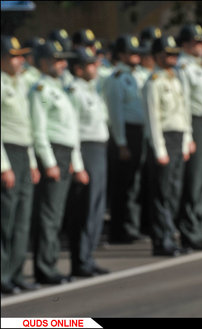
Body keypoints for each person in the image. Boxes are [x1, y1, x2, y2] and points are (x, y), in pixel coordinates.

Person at [29, 39, 82, 285]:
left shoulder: (58, 87)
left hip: (64, 153)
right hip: (52, 153)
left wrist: (72, 160)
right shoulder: (40, 89)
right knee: (49, 215)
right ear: (43, 62)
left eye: (63, 60)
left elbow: (69, 129)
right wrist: (50, 162)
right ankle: (45, 268)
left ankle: (49, 264)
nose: (63, 64)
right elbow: (39, 131)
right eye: (57, 59)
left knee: (56, 214)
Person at [142, 35, 192, 256]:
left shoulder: (175, 79)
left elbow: (183, 113)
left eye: (174, 53)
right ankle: (161, 240)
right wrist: (160, 150)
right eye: (168, 53)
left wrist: (187, 141)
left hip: (177, 138)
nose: (172, 57)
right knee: (162, 193)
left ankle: (170, 235)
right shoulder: (154, 81)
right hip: (163, 139)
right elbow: (152, 118)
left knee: (173, 191)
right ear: (157, 56)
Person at [64, 47, 110, 277]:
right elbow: (71, 130)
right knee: (85, 207)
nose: (96, 67)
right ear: (78, 68)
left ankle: (88, 257)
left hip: (99, 149)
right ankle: (80, 260)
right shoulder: (74, 91)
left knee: (96, 207)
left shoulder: (91, 89)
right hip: (85, 149)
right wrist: (77, 164)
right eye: (91, 64)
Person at [1, 36, 41, 294]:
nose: (20, 61)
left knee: (23, 220)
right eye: (14, 56)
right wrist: (3, 166)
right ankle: (2, 275)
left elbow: (28, 126)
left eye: (21, 56)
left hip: (24, 153)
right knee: (5, 220)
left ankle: (15, 272)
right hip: (7, 152)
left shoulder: (22, 82)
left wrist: (34, 161)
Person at [175, 24, 202, 250]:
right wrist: (188, 136)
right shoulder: (183, 67)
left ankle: (198, 228)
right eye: (197, 41)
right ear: (185, 44)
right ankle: (190, 231)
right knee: (194, 181)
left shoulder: (199, 68)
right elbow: (182, 104)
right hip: (196, 124)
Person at [103, 34, 147, 244]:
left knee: (134, 184)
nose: (136, 56)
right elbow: (115, 113)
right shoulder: (116, 78)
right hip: (125, 134)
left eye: (137, 52)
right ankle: (118, 231)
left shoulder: (137, 76)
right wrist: (120, 142)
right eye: (131, 52)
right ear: (121, 55)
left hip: (138, 133)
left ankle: (131, 226)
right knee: (121, 186)